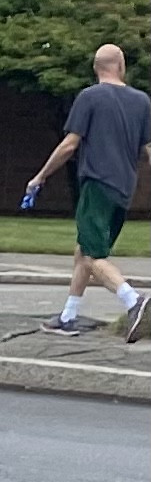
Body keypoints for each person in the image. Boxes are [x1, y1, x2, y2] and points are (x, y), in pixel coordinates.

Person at [27, 42, 151, 342]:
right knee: (84, 248)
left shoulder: (90, 97)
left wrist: (40, 176)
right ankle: (68, 316)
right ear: (121, 66)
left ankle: (133, 300)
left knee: (94, 255)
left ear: (97, 68)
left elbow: (70, 144)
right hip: (124, 188)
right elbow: (148, 149)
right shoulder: (142, 101)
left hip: (97, 184)